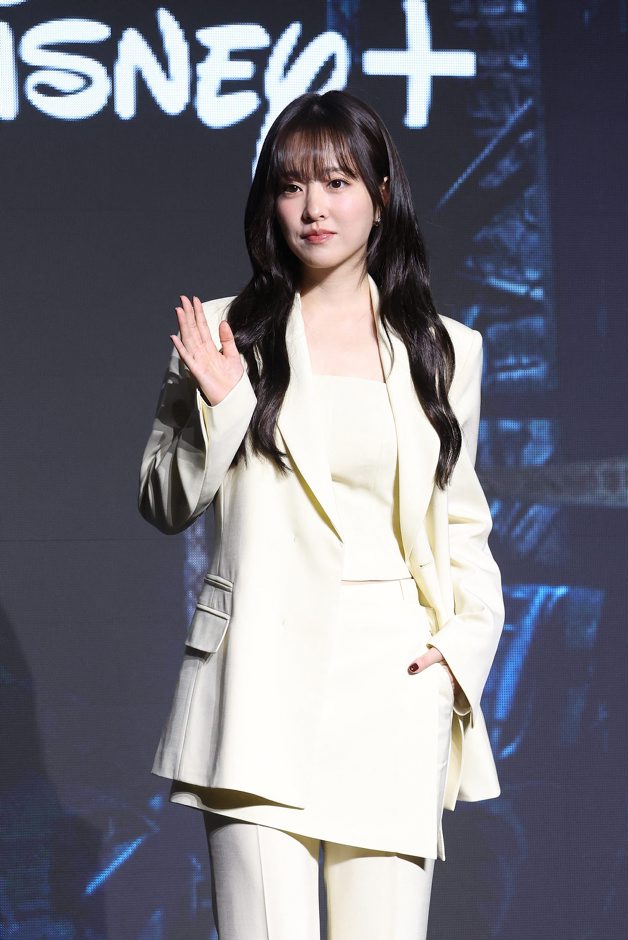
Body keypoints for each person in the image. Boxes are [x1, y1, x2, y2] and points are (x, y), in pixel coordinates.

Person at [138, 89, 505, 940]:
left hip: (393, 686)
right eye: (292, 185)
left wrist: (458, 655)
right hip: (256, 687)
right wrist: (221, 405)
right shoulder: (224, 333)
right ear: (270, 202)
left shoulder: (446, 349)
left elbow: (463, 525)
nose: (313, 208)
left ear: (381, 194)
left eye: (337, 182)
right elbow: (162, 500)